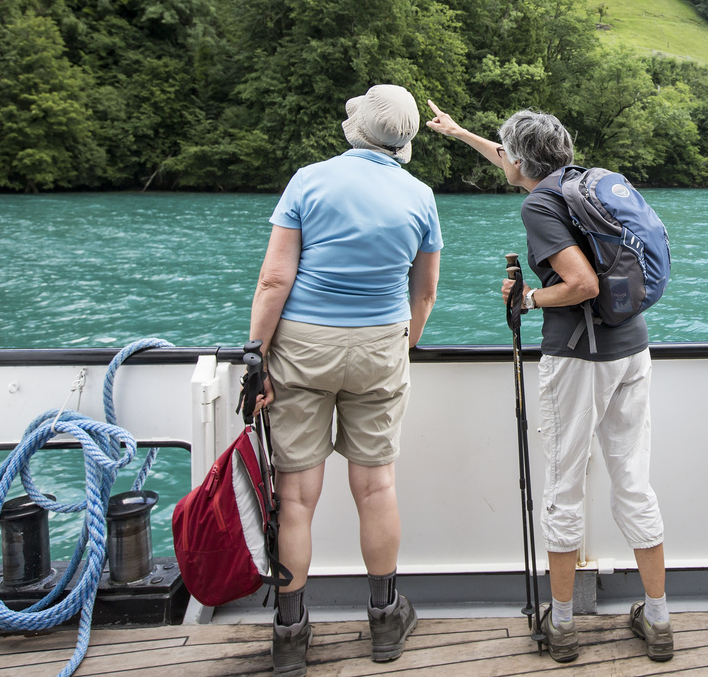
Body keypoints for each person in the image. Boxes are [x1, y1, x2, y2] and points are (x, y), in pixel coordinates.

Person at [425, 102, 673, 664]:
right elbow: (511, 158)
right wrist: (461, 132)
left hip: (579, 358)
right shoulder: (580, 183)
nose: (502, 158)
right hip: (633, 348)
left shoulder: (540, 204)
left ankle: (561, 627)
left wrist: (531, 298)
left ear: (521, 160)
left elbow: (582, 284)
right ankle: (658, 619)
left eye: (504, 151)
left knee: (564, 485)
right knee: (633, 481)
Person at [249, 84, 442, 676]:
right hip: (381, 344)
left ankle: (290, 634)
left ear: (357, 128)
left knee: (297, 498)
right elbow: (425, 291)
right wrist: (398, 347)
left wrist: (257, 354)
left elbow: (275, 280)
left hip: (303, 346)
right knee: (376, 488)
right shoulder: (420, 195)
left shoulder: (309, 180)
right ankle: (384, 621)